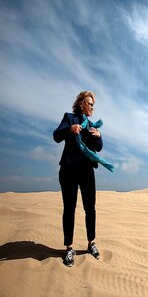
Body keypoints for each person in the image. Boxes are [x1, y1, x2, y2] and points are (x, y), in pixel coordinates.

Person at [53, 91, 103, 267]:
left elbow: (98, 148)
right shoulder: (69, 118)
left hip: (87, 171)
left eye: (93, 105)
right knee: (69, 208)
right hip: (68, 170)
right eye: (89, 104)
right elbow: (56, 136)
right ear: (81, 103)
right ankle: (69, 248)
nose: (92, 107)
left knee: (90, 208)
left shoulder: (91, 125)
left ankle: (91, 244)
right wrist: (69, 129)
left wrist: (99, 137)